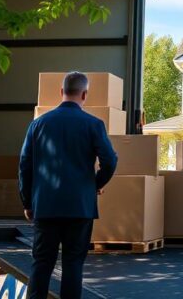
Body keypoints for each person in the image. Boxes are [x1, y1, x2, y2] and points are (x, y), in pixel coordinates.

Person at [20, 71, 118, 299]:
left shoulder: (38, 125)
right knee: (73, 264)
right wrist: (94, 184)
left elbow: (25, 166)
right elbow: (110, 160)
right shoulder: (94, 125)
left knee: (42, 262)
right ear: (84, 94)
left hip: (46, 205)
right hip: (79, 206)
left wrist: (27, 201)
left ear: (61, 92)